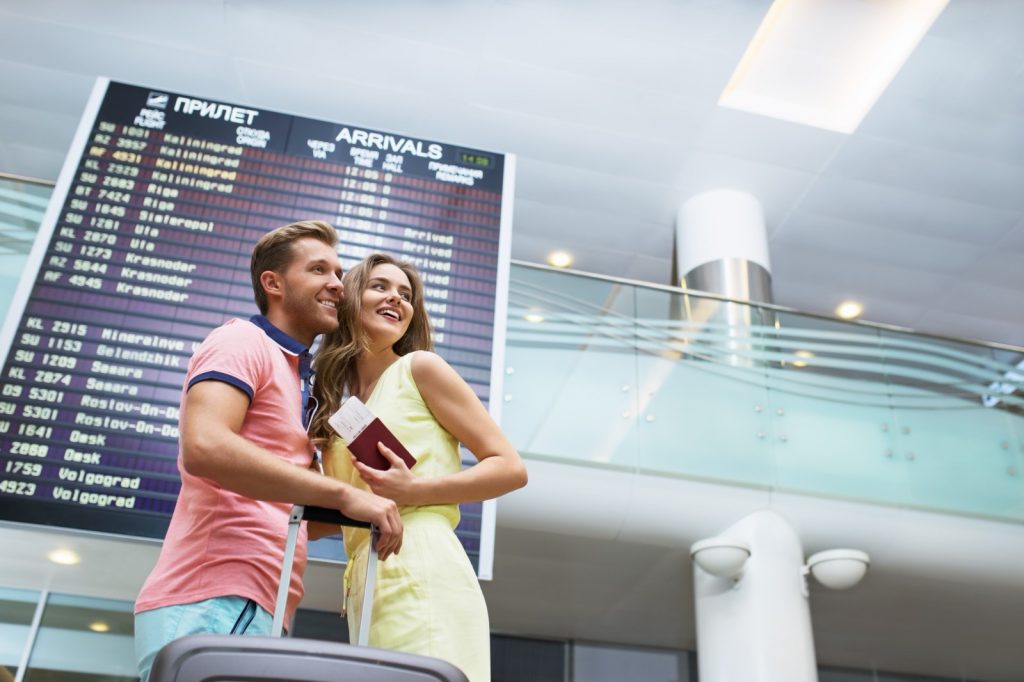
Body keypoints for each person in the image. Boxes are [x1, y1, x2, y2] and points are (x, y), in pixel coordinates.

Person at [133, 221, 403, 681]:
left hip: (255, 602)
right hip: (216, 594)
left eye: (338, 273)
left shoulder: (299, 376)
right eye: (318, 270)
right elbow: (205, 445)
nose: (337, 284)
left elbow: (293, 513)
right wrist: (342, 496)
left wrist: (374, 503)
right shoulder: (242, 341)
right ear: (273, 283)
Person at [311, 253, 528, 682]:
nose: (396, 298)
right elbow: (333, 515)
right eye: (381, 287)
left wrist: (415, 491)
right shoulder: (338, 409)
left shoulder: (419, 368)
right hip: (364, 577)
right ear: (350, 299)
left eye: (406, 295)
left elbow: (510, 467)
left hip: (422, 560)